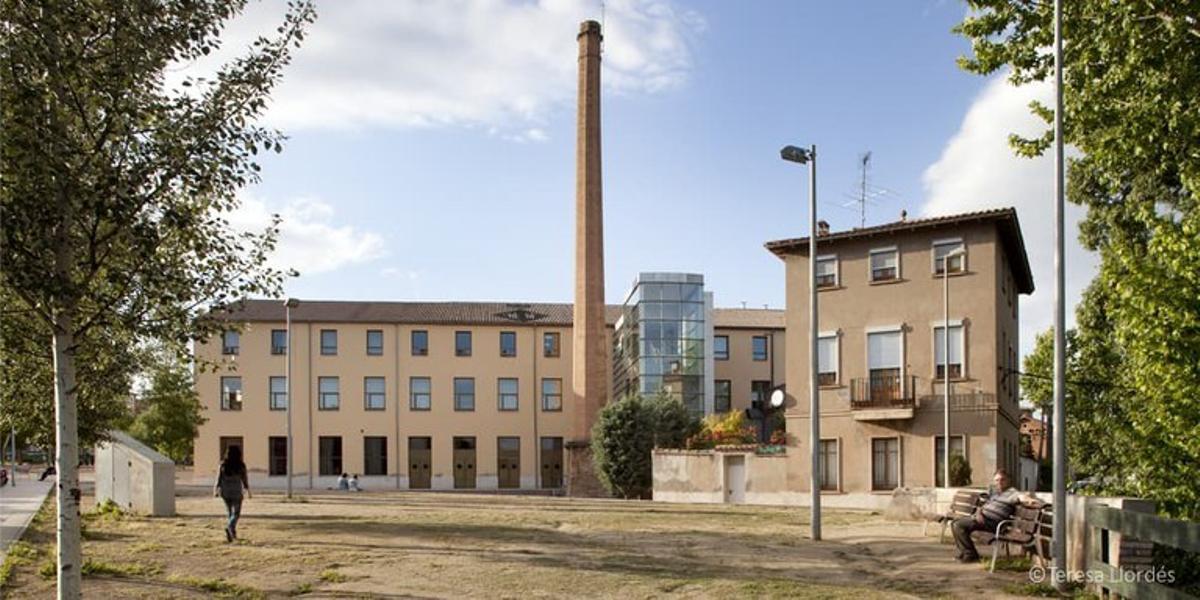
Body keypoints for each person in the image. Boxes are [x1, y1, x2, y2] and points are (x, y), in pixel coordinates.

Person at [951, 468, 1040, 562]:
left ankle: (970, 555)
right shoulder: (995, 494)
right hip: (983, 519)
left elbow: (1023, 498)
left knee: (959, 525)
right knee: (954, 523)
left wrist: (1031, 501)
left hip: (994, 523)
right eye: (997, 480)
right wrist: (979, 514)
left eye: (1002, 480)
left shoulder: (1012, 493)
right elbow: (983, 507)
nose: (999, 482)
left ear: (1008, 480)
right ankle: (966, 553)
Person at [213, 446, 251, 542]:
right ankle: (230, 527)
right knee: (236, 514)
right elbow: (244, 478)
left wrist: (216, 489)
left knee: (230, 513)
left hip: (225, 492)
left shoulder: (223, 465)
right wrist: (247, 488)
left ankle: (232, 533)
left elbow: (218, 478)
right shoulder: (241, 465)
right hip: (236, 492)